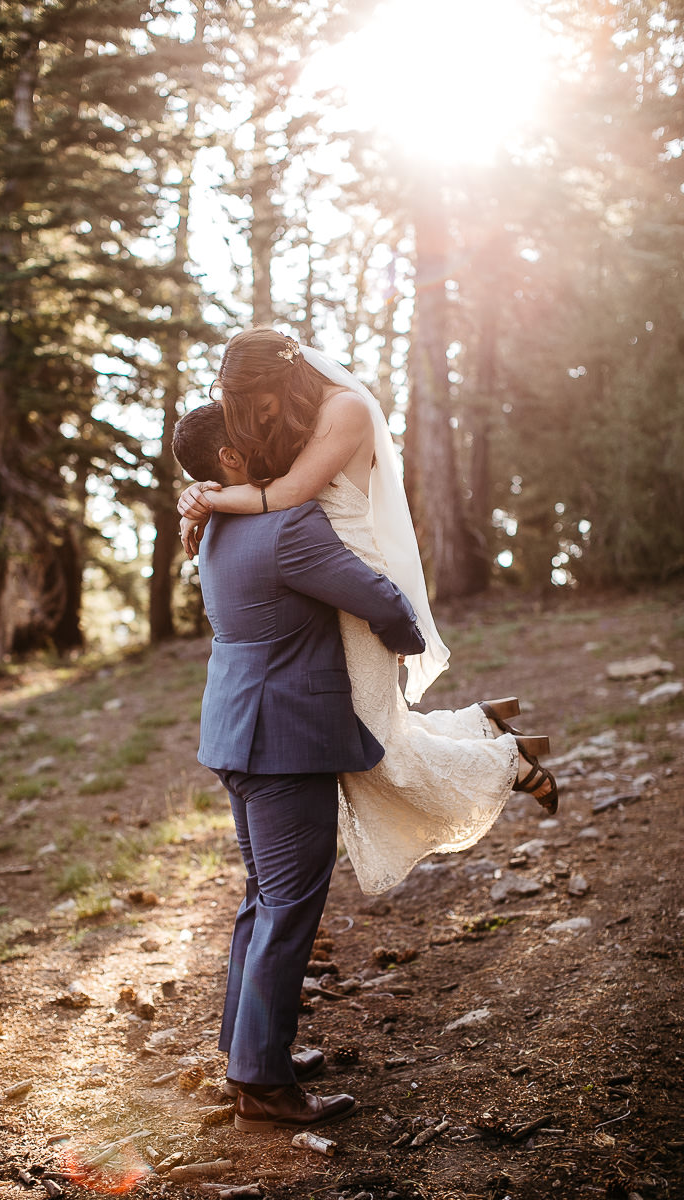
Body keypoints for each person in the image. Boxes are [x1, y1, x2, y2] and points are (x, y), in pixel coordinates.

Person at [178, 327, 558, 896]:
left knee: (375, 749)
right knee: (370, 735)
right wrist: (199, 495)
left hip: (349, 579)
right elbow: (258, 478)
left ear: (277, 378)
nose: (252, 418)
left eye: (254, 402)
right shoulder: (289, 416)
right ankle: (482, 725)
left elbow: (283, 496)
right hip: (312, 579)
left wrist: (207, 501)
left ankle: (510, 762)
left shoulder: (347, 409)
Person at [171, 402, 426, 1132]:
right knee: (287, 906)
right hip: (283, 739)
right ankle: (260, 1080)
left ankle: (250, 1048)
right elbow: (370, 594)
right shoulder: (286, 523)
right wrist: (407, 634)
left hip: (234, 730)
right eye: (248, 432)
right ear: (228, 458)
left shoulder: (215, 522)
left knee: (264, 898)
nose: (265, 436)